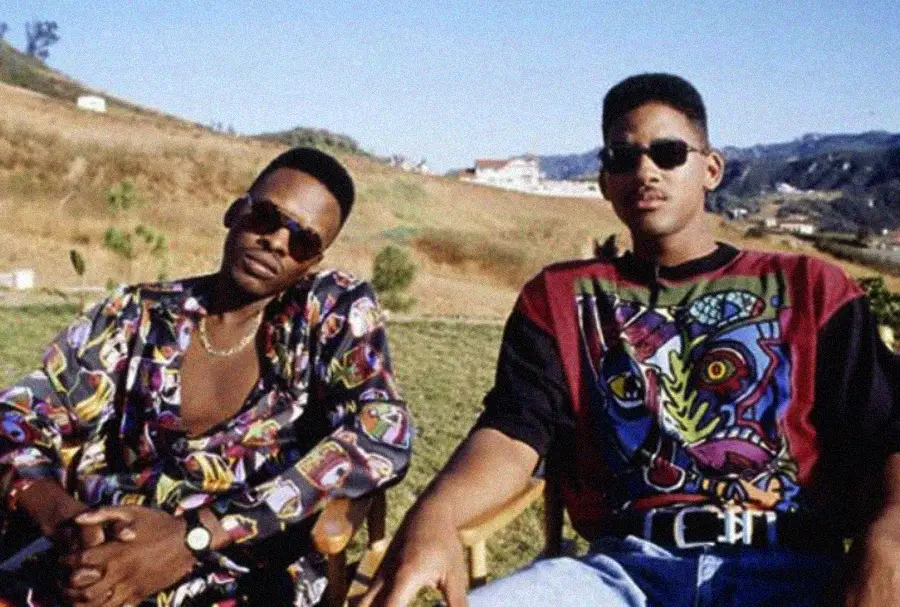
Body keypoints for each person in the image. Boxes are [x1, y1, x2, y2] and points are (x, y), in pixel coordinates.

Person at [361, 73, 900, 607]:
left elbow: (888, 430)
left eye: (668, 153)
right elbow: (513, 431)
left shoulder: (812, 288)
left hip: (792, 570)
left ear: (711, 169)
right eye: (623, 157)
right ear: (604, 181)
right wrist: (435, 516)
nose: (645, 171)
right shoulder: (558, 299)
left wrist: (890, 536)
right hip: (620, 573)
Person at [0, 147, 413, 606]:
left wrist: (195, 536)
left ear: (312, 261)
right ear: (235, 212)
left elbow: (384, 433)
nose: (278, 242)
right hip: (99, 548)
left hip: (248, 568)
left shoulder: (327, 312)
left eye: (303, 241)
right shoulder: (138, 314)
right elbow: (19, 413)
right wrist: (67, 523)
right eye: (266, 217)